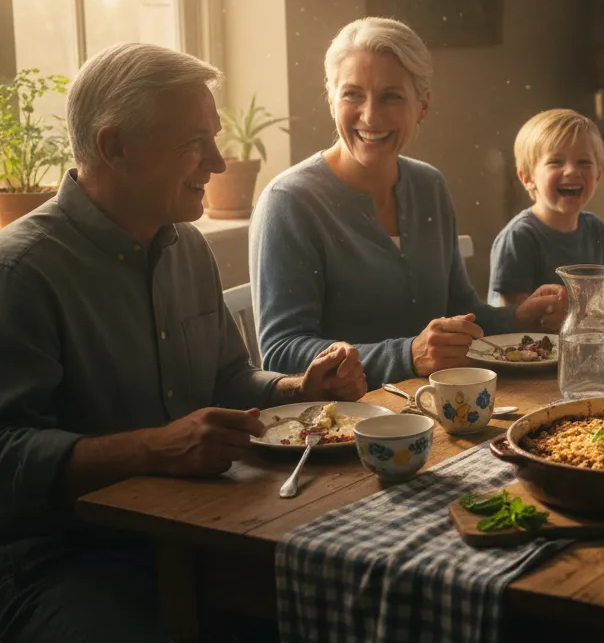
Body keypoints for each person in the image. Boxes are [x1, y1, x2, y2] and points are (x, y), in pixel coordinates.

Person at [0, 43, 368, 642]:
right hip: (63, 564)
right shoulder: (21, 273)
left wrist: (298, 387)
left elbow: (226, 378)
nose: (219, 164)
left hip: (198, 530)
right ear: (115, 146)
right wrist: (151, 448)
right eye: (195, 142)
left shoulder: (186, 247)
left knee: (349, 600)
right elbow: (7, 454)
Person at [250, 17, 565, 386]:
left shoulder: (429, 185)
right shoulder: (289, 203)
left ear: (423, 106)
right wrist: (407, 355)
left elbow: (459, 312)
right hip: (342, 424)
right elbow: (282, 351)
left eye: (391, 96)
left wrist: (518, 319)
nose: (370, 115)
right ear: (331, 98)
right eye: (352, 94)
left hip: (435, 408)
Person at [489, 109, 604, 306]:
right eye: (556, 162)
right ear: (528, 178)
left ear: (598, 175)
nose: (572, 171)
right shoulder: (519, 237)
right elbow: (513, 318)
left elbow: (602, 299)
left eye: (584, 162)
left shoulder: (595, 229)